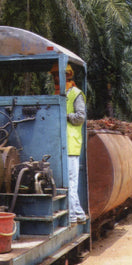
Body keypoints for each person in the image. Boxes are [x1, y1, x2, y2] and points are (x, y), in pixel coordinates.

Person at [50, 63, 87, 225]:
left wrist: (65, 116)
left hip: (71, 144)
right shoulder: (57, 94)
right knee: (68, 182)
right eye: (55, 75)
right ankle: (78, 213)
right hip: (60, 144)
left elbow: (80, 117)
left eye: (60, 74)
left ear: (69, 75)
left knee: (71, 183)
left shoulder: (76, 94)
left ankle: (72, 215)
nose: (57, 77)